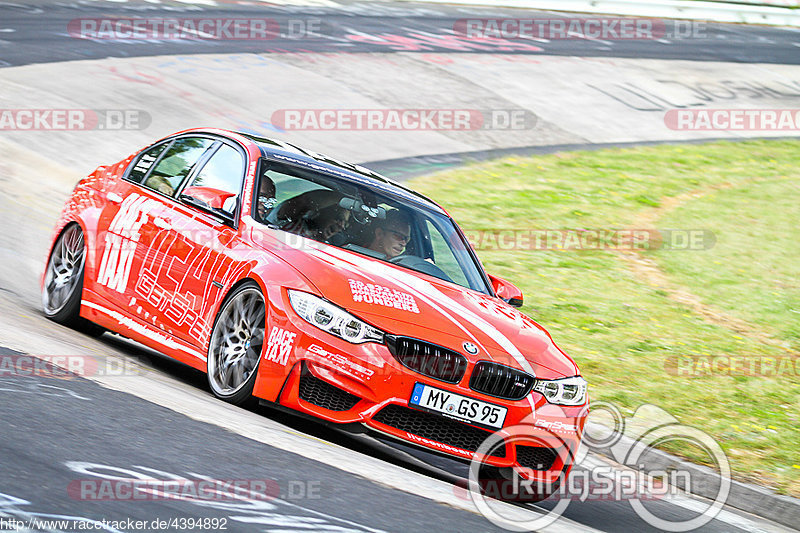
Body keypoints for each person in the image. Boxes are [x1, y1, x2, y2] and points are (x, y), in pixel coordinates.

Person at [275, 189, 351, 242]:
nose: (341, 226)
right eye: (339, 219)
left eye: (345, 224)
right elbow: (305, 202)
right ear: (323, 211)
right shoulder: (289, 221)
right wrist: (343, 199)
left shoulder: (326, 246)